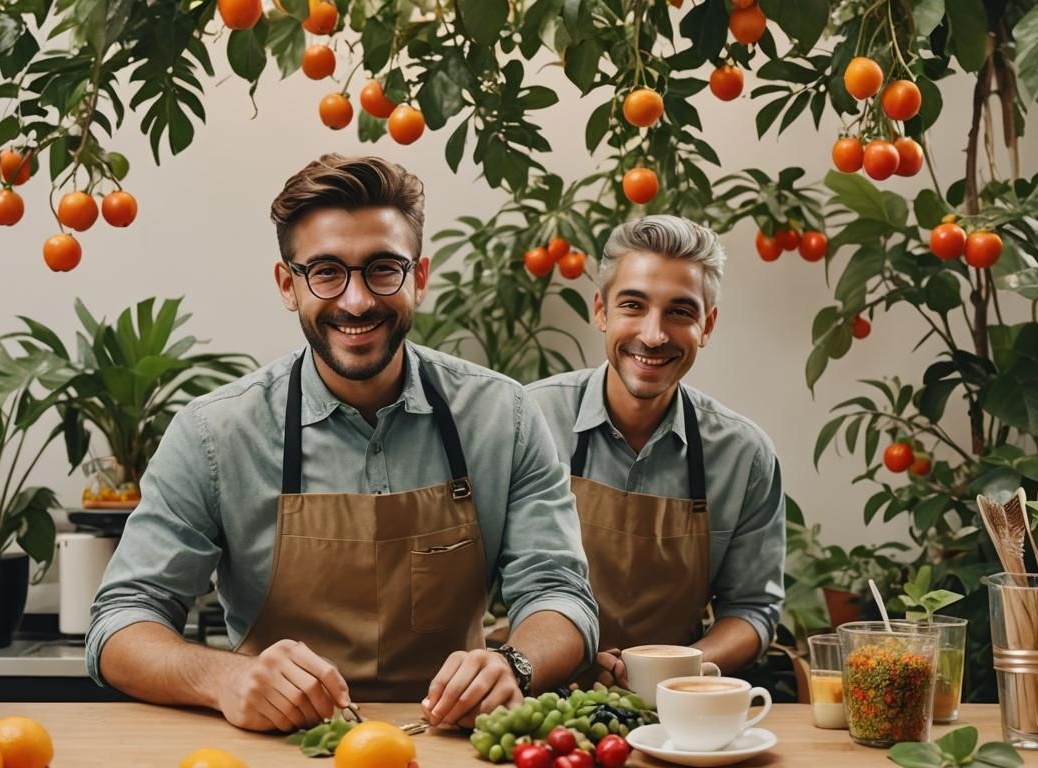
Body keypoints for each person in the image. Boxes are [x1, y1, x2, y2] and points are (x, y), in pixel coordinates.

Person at [87, 154, 597, 732]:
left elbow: (562, 595)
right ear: (288, 284)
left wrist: (515, 663)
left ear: (419, 277)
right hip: (277, 748)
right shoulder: (214, 433)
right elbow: (120, 623)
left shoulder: (504, 416)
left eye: (383, 269)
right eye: (326, 271)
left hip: (453, 743)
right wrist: (224, 678)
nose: (357, 301)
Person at [526, 214, 785, 687]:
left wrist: (674, 671)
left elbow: (752, 609)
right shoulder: (530, 419)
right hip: (537, 695)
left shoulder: (744, 456)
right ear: (601, 310)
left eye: (680, 312)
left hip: (675, 709)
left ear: (707, 325)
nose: (653, 334)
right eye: (633, 306)